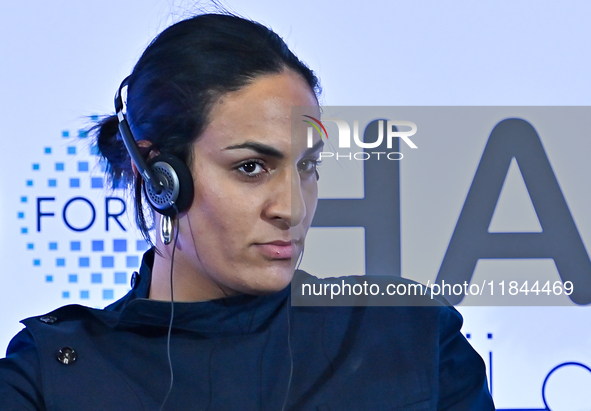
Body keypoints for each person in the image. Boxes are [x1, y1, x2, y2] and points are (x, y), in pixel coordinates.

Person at [0, 12, 495, 410]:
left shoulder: (408, 332)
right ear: (159, 176)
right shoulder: (53, 372)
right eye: (252, 166)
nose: (292, 208)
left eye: (307, 167)